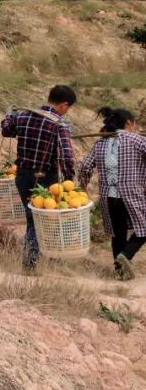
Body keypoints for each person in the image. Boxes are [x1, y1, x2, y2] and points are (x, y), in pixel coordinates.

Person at [1, 85, 77, 270]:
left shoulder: (23, 116)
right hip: (45, 179)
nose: (66, 112)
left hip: (23, 176)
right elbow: (66, 155)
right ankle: (33, 263)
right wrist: (69, 179)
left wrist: (9, 115)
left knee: (32, 217)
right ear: (64, 105)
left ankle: (37, 260)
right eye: (68, 108)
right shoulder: (59, 123)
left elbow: (6, 130)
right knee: (42, 219)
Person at [77, 107, 146, 280]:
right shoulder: (136, 140)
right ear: (129, 123)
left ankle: (120, 273)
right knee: (144, 228)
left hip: (108, 195)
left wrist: (82, 188)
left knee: (118, 233)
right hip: (132, 193)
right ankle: (126, 256)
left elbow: (85, 166)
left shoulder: (100, 143)